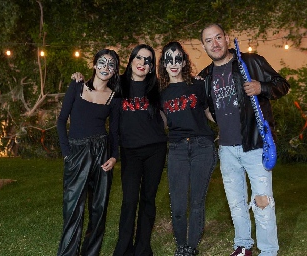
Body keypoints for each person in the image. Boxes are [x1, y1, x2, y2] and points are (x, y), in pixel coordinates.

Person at [198, 24, 290, 256]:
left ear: (226, 38)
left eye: (218, 37)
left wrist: (262, 87)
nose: (215, 43)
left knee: (262, 201)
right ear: (204, 46)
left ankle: (268, 251)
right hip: (227, 149)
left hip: (255, 144)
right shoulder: (206, 75)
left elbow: (283, 85)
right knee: (236, 203)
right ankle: (243, 246)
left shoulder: (250, 62)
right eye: (209, 40)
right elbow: (208, 107)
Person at [56, 49, 121, 256]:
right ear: (94, 65)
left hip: (102, 153)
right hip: (77, 151)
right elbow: (60, 121)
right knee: (73, 209)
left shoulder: (114, 97)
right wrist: (67, 153)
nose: (105, 68)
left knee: (99, 209)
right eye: (102, 63)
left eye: (111, 65)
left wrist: (114, 156)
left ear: (114, 71)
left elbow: (115, 131)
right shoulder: (76, 86)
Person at [158, 42, 217, 256]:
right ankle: (180, 245)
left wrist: (233, 123)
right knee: (179, 203)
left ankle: (191, 248)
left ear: (184, 61)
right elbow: (161, 123)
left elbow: (210, 113)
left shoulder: (198, 85)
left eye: (178, 59)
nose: (174, 64)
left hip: (202, 146)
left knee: (197, 201)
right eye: (168, 59)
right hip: (177, 149)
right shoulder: (161, 93)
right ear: (163, 64)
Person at [113, 44, 168, 256]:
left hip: (155, 149)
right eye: (138, 57)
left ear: (152, 67)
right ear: (131, 60)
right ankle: (124, 248)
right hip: (130, 151)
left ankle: (143, 248)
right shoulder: (119, 84)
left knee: (148, 199)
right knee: (129, 201)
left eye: (147, 60)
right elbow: (96, 84)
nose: (142, 63)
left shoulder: (156, 87)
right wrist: (79, 78)